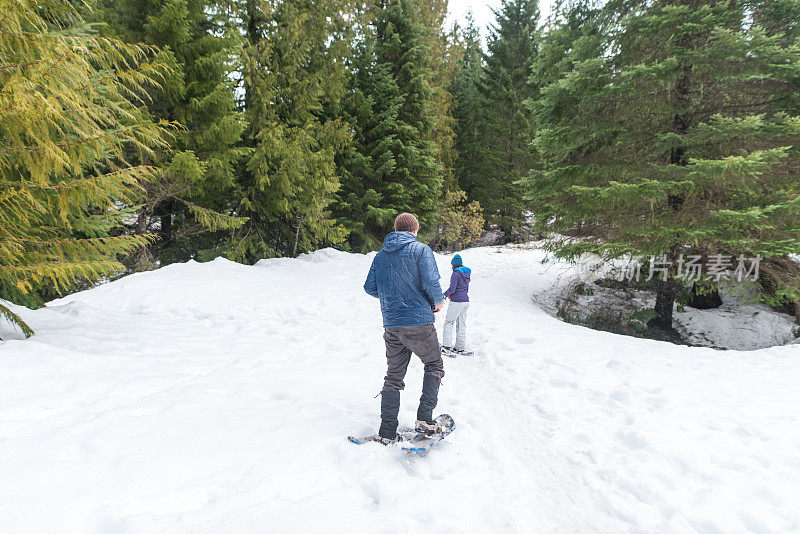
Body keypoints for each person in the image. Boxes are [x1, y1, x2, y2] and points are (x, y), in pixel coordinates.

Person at [363, 212, 446, 444]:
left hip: (392, 323)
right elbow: (430, 282)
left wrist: (392, 296)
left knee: (393, 377)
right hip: (419, 322)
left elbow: (370, 287)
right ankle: (425, 420)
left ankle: (387, 432)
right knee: (434, 365)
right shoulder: (421, 250)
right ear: (415, 230)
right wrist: (437, 302)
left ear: (396, 229)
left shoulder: (380, 255)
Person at [441, 254, 471, 354]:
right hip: (465, 301)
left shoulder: (456, 274)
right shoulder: (467, 273)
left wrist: (444, 295)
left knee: (449, 322)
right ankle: (460, 347)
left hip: (457, 301)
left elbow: (452, 289)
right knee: (461, 324)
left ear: (453, 264)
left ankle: (446, 346)